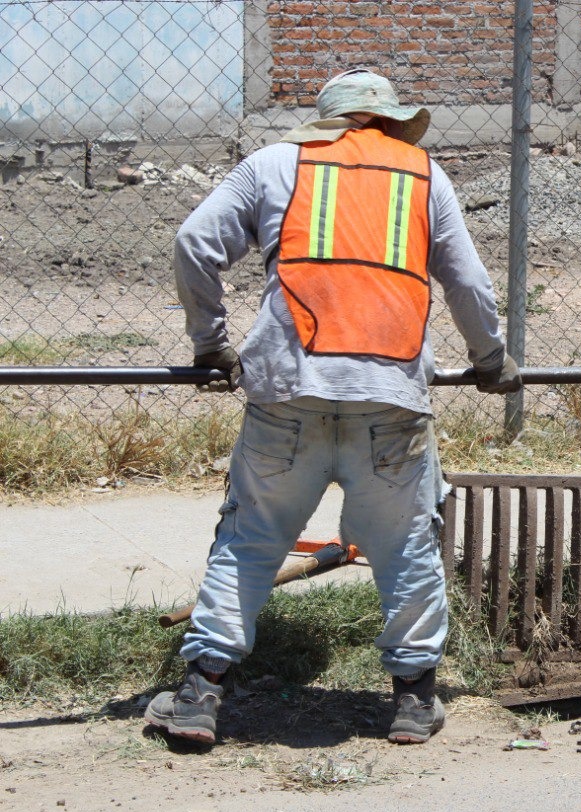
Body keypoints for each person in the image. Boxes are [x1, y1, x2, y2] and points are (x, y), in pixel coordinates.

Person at [143, 69, 521, 747]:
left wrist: (211, 345)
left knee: (251, 538)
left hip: (288, 392)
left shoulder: (271, 165)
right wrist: (490, 359)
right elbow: (466, 279)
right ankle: (413, 699)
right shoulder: (423, 174)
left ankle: (200, 692)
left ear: (325, 119)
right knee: (405, 545)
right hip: (390, 399)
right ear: (391, 121)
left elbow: (194, 243)